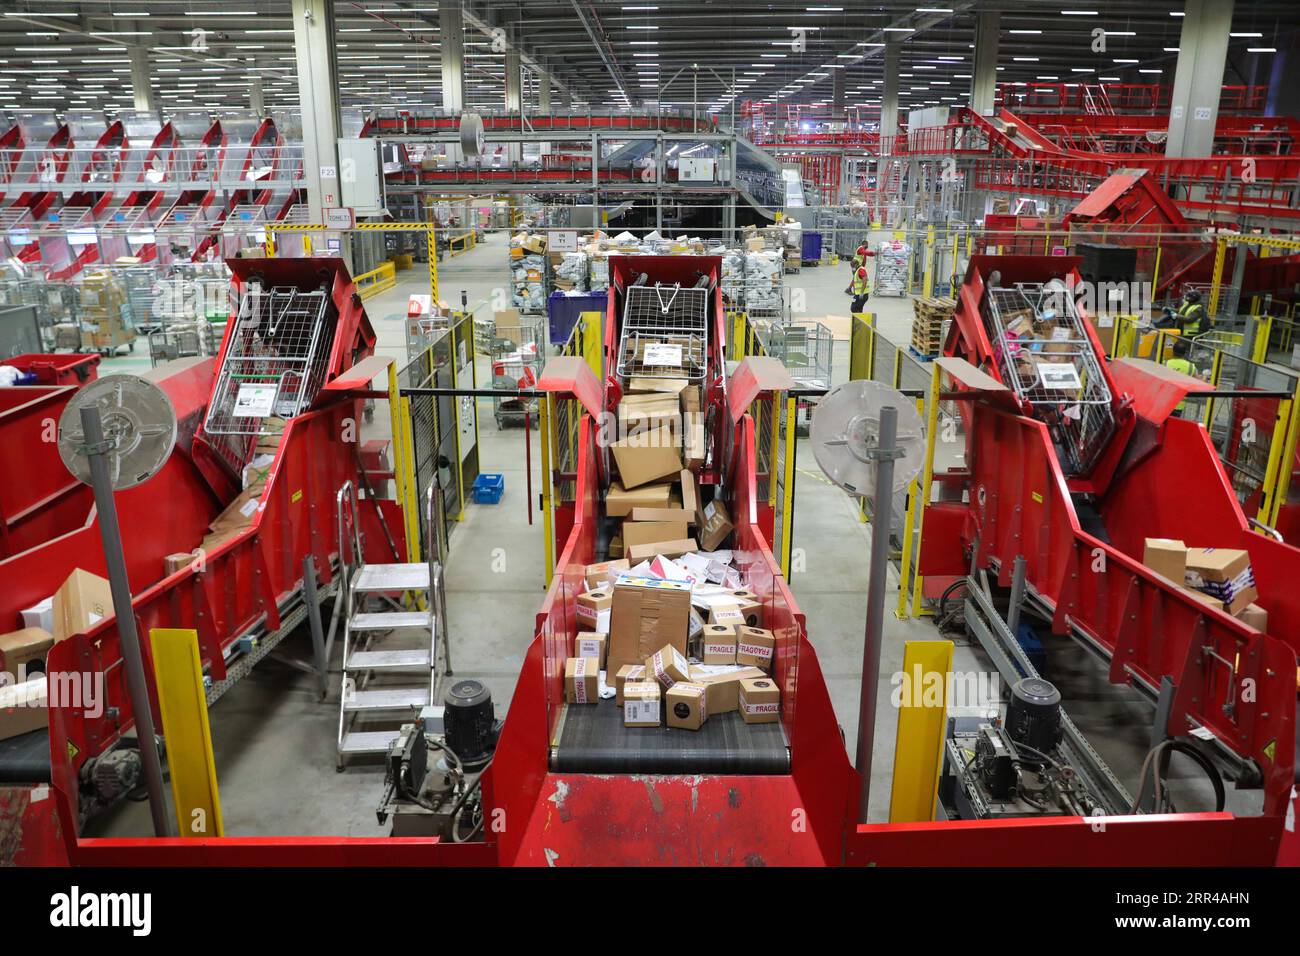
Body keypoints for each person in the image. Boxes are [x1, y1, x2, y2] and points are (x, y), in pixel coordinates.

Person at [1164, 337, 1197, 414]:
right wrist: (1205, 375)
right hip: (1179, 403)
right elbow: (1200, 381)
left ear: (1173, 351)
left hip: (1165, 402)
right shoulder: (1191, 367)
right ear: (1185, 353)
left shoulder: (1166, 363)